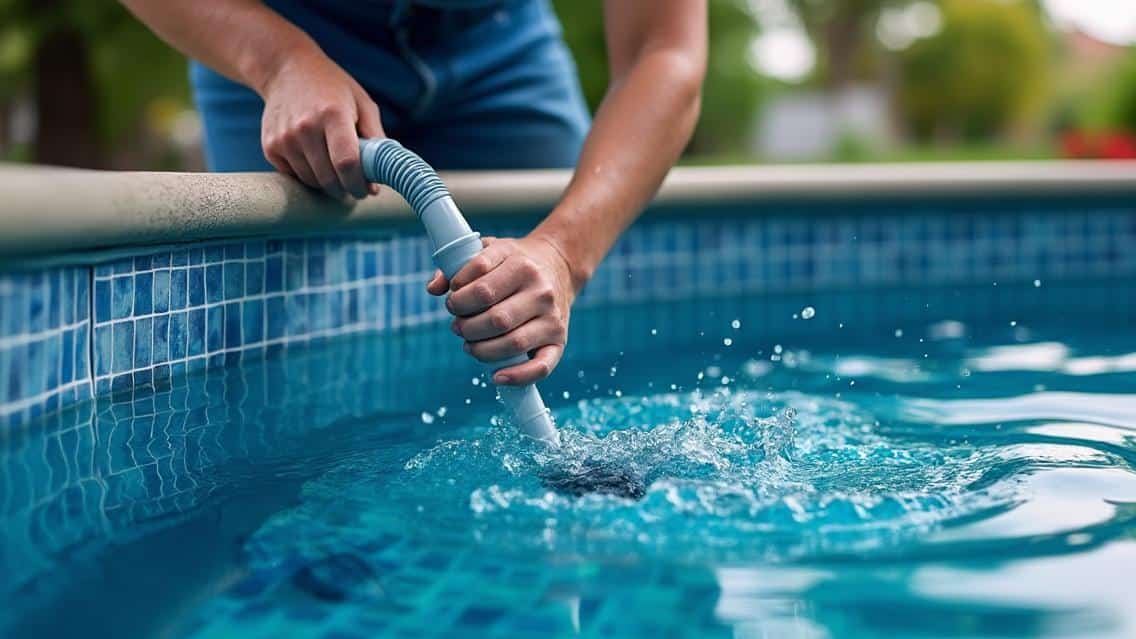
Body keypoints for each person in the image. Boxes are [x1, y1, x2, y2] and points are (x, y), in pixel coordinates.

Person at [121, 0, 706, 386]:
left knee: (543, 320)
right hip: (278, 22)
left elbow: (667, 52)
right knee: (262, 345)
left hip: (497, 40)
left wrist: (562, 254)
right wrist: (278, 62)